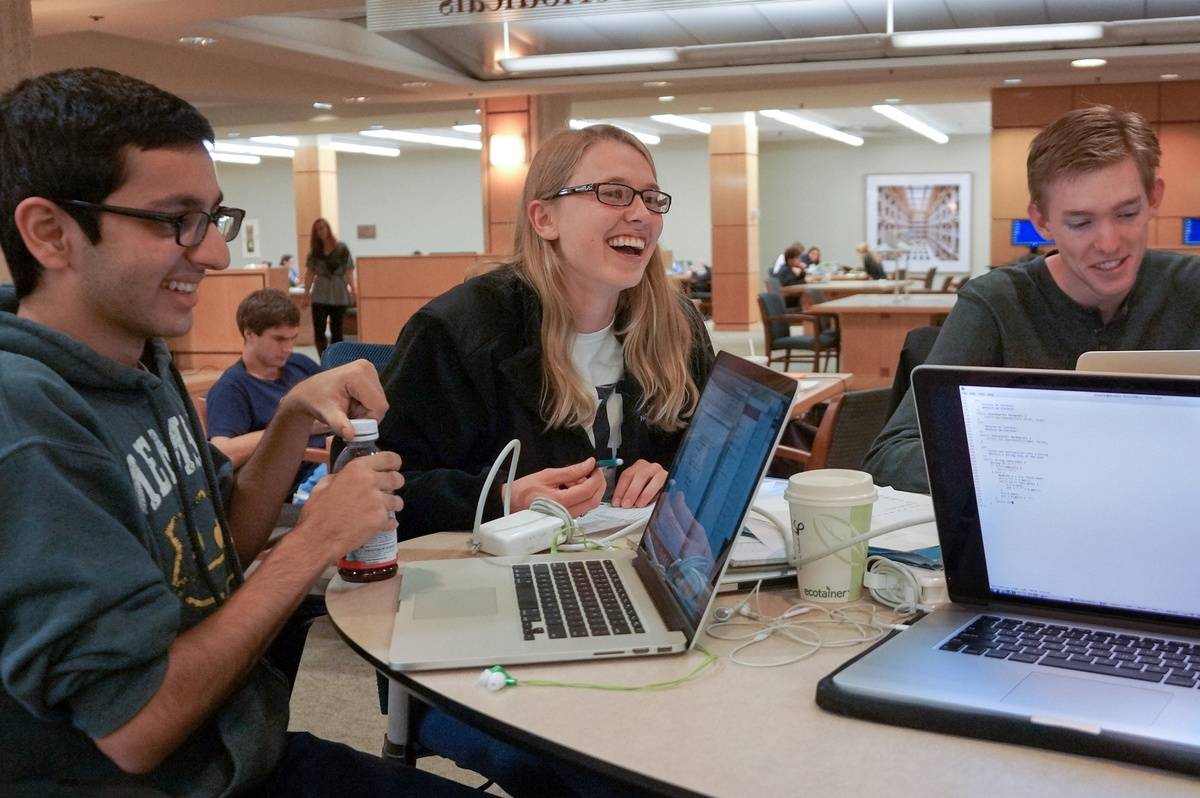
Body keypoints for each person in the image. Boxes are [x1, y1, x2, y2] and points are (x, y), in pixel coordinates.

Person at [0, 67, 475, 797]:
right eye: (173, 220)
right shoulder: (28, 425)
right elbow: (135, 728)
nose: (215, 253)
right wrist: (315, 540)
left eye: (213, 218)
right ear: (50, 233)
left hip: (241, 748)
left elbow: (220, 541)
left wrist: (290, 418)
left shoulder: (136, 357)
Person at [378, 123, 714, 539]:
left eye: (651, 198)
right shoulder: (459, 330)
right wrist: (503, 499)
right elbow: (379, 487)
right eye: (613, 193)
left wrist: (674, 477)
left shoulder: (676, 324)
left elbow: (716, 457)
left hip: (635, 564)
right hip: (493, 578)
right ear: (544, 218)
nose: (641, 214)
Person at [864, 105, 1200, 494]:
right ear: (1041, 221)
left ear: (1154, 197)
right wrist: (1031, 463)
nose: (1108, 243)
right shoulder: (997, 302)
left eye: (1127, 213)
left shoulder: (1191, 288)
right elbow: (891, 457)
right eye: (1080, 223)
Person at [206, 288, 325, 496]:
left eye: (292, 338)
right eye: (279, 339)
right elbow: (223, 452)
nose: (288, 348)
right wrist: (298, 425)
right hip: (297, 485)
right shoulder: (232, 388)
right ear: (249, 334)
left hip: (328, 461)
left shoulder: (301, 365)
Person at [302, 217, 354, 358]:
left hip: (339, 293)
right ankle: (323, 359)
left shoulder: (342, 249)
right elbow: (309, 274)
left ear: (328, 229)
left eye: (322, 228)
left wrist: (353, 291)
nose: (320, 232)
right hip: (320, 293)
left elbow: (349, 271)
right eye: (317, 230)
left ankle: (337, 360)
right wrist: (306, 294)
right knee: (319, 331)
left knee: (337, 331)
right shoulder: (315, 252)